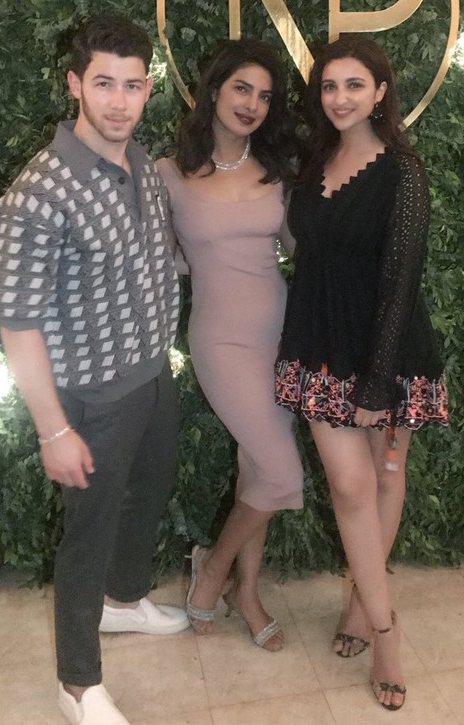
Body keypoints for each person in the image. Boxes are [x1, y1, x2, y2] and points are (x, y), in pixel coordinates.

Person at [0, 16, 189, 725]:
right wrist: (54, 430)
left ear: (148, 89)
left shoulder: (143, 164)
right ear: (74, 83)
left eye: (132, 85)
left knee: (150, 492)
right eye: (104, 83)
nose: (118, 101)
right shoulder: (39, 192)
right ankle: (76, 684)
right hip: (92, 398)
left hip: (152, 374)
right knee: (89, 534)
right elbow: (17, 322)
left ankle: (123, 600)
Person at [275, 36, 449, 710]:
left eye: (354, 85)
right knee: (351, 487)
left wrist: (377, 384)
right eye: (329, 85)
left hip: (387, 349)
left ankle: (361, 606)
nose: (340, 97)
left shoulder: (404, 171)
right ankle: (387, 628)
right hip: (319, 342)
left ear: (380, 92)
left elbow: (402, 280)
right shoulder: (312, 160)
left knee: (385, 476)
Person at [156, 39, 303, 652]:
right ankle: (213, 568)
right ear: (214, 89)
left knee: (257, 465)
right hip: (220, 338)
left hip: (282, 331)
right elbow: (161, 260)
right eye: (242, 88)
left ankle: (247, 592)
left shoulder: (277, 172)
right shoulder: (168, 174)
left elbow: (299, 250)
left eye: (264, 96)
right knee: (281, 470)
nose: (252, 104)